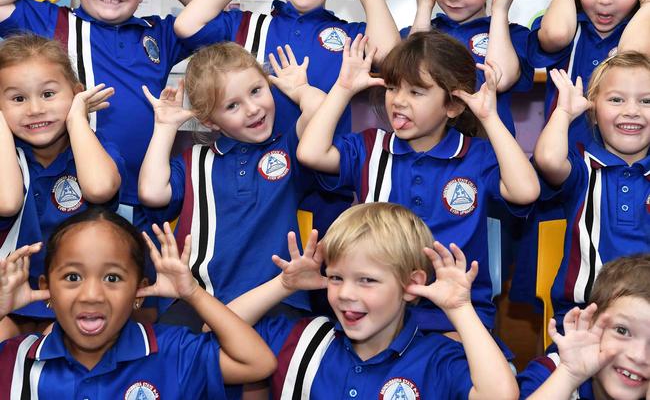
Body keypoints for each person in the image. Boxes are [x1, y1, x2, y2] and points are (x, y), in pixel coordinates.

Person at [297, 31, 540, 332]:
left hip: (455, 315)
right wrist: (343, 88)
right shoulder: (371, 148)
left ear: (452, 105)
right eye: (392, 88)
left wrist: (489, 117)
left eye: (416, 92)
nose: (398, 101)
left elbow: (526, 191)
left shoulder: (476, 156)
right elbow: (310, 153)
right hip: (380, 312)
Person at [173, 0, 400, 234]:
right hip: (255, 181)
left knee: (327, 276)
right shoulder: (252, 26)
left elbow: (392, 57)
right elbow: (186, 25)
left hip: (327, 186)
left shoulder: (350, 34)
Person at [0, 0, 205, 231]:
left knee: (135, 277)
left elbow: (214, 16)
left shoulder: (158, 33)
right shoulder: (54, 22)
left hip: (141, 195)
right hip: (69, 193)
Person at [227, 202, 519, 399]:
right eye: (336, 278)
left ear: (411, 285)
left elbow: (500, 395)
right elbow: (217, 330)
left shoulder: (436, 357)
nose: (345, 294)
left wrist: (460, 309)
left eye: (367, 280)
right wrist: (283, 285)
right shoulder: (300, 338)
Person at [0, 207, 277, 398]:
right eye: (73, 276)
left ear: (138, 293)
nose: (92, 295)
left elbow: (257, 363)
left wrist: (192, 291)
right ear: (47, 289)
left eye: (112, 278)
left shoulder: (172, 351)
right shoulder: (15, 359)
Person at [138, 41, 326, 316]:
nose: (251, 109)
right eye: (232, 105)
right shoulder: (195, 160)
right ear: (211, 121)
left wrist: (300, 91)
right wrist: (165, 128)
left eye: (256, 91)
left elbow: (323, 114)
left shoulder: (289, 150)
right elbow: (151, 192)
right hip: (200, 301)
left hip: (279, 302)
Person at [0, 34, 124, 339]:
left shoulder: (93, 149)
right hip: (10, 294)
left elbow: (100, 189)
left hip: (79, 301)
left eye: (48, 94)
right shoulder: (7, 154)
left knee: (66, 347)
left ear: (76, 94)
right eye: (18, 99)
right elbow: (7, 201)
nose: (34, 110)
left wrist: (77, 120)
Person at [533, 52, 650, 328]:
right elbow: (548, 159)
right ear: (593, 112)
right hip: (582, 320)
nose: (632, 110)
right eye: (616, 99)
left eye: (646, 101)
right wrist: (564, 112)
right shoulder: (583, 167)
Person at [403, 0, 533, 135]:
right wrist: (424, 7)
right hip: (430, 157)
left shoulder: (512, 36)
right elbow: (408, 74)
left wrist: (499, 12)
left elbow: (500, 79)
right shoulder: (423, 30)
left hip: (487, 156)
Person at [529, 0, 650, 145]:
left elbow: (631, 55)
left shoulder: (642, 29)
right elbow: (556, 35)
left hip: (627, 169)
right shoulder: (567, 22)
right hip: (565, 162)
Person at [518, 254, 650, 400]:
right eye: (622, 331)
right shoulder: (554, 373)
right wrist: (569, 375)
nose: (639, 356)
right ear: (589, 325)